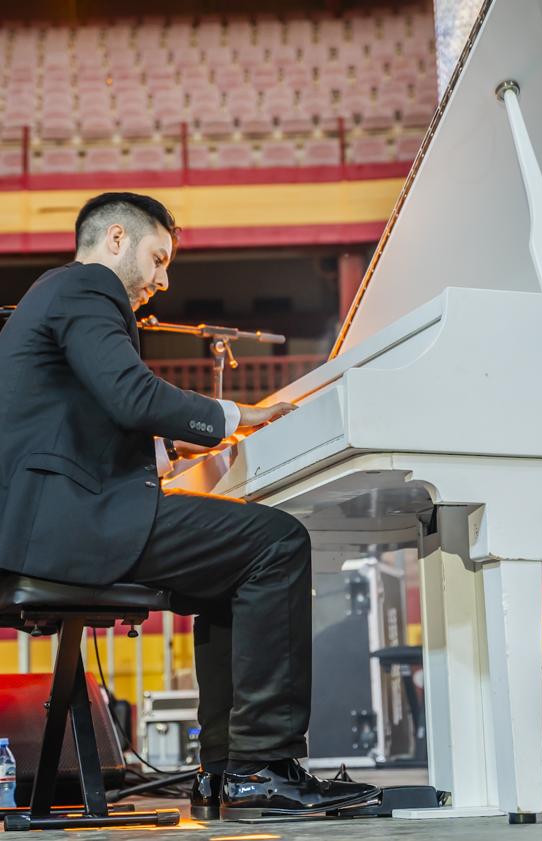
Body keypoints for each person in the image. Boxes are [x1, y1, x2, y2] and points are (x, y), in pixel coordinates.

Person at [0, 192, 379, 819]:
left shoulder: (56, 296)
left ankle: (225, 772)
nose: (163, 279)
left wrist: (172, 451)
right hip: (72, 526)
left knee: (227, 577)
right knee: (277, 542)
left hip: (56, 520)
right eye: (159, 257)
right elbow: (129, 394)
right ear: (116, 239)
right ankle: (261, 767)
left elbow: (84, 424)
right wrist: (236, 416)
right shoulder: (88, 287)